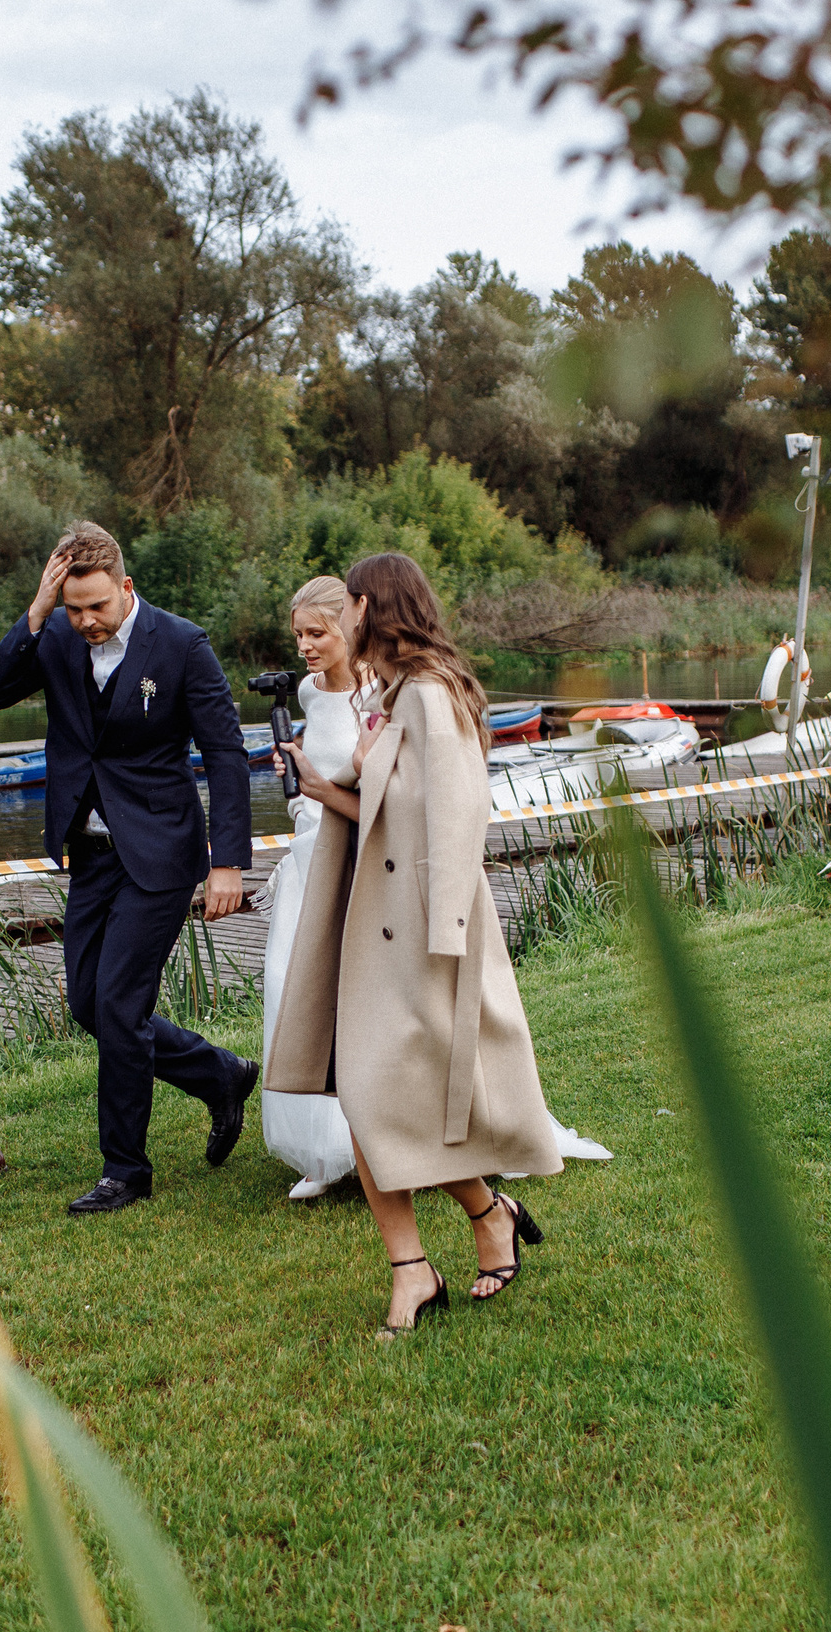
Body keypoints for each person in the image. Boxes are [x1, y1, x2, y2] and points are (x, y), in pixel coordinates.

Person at [268, 551, 561, 1337]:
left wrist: (446, 940)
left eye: (346, 607)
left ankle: (477, 1220)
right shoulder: (396, 694)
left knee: (388, 1097)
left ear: (365, 607)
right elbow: (385, 814)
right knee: (369, 1095)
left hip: (421, 931)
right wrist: (321, 782)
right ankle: (425, 1258)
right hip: (373, 919)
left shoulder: (431, 695)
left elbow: (459, 820)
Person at [0, 522, 260, 1215]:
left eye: (97, 607)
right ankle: (220, 1073)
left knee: (120, 1006)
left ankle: (125, 1170)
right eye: (74, 609)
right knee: (88, 1004)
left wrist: (228, 863)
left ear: (126, 588)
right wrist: (37, 614)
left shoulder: (182, 645)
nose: (87, 622)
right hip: (90, 852)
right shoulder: (58, 635)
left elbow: (226, 756)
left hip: (160, 851)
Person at [256, 576, 367, 1199]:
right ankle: (321, 1151)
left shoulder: (378, 690)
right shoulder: (306, 689)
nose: (304, 645)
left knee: (352, 998)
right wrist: (293, 757)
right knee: (288, 985)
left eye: (317, 633)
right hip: (306, 854)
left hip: (354, 857)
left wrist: (322, 783)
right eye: (298, 633)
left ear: (349, 626)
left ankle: (375, 1137)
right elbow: (320, 751)